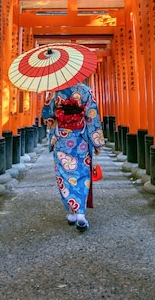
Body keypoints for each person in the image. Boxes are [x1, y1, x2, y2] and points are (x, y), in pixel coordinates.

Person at [41, 82, 105, 232]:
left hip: (62, 139)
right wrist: (96, 142)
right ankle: (81, 213)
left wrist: (57, 119)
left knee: (64, 174)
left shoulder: (53, 92)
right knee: (82, 173)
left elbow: (47, 117)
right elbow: (92, 117)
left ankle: (71, 211)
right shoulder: (86, 90)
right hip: (80, 139)